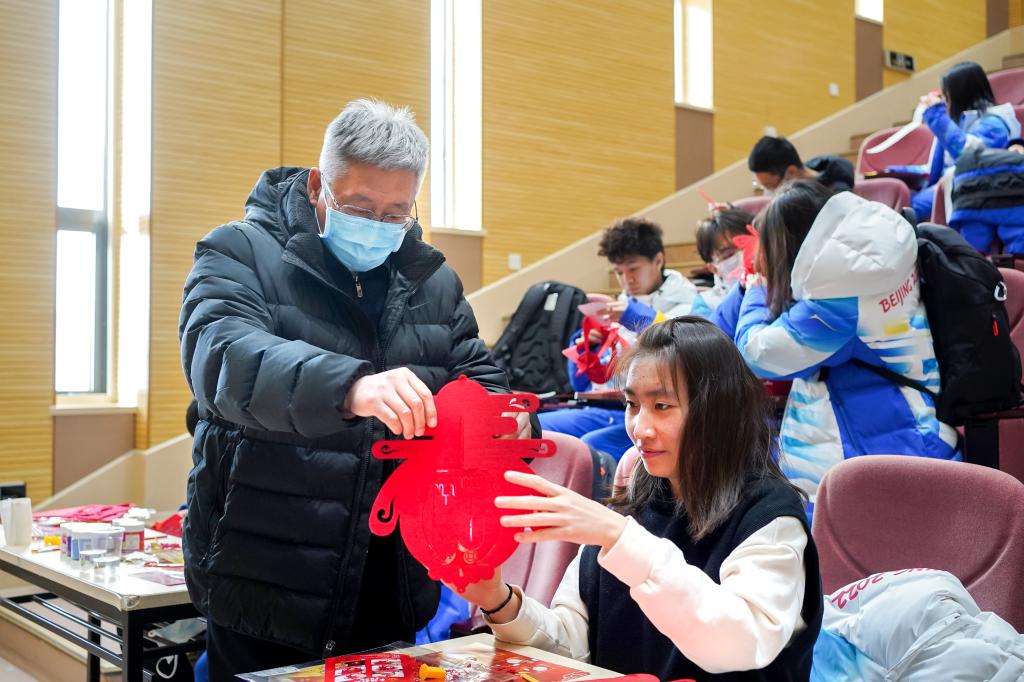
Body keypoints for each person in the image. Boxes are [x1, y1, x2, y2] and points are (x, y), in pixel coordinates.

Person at [179, 99, 522, 681]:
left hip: (390, 580)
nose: (377, 226)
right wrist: (351, 386)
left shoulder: (432, 283)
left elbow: (481, 383)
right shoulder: (240, 251)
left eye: (396, 214)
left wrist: (506, 424)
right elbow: (222, 356)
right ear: (318, 186)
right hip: (265, 572)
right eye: (360, 208)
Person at [456, 317, 823, 680]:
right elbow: (573, 648)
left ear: (718, 412)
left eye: (662, 406)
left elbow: (739, 643)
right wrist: (500, 602)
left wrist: (620, 538)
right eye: (632, 405)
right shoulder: (629, 509)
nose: (640, 429)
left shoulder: (769, 517)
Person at [734, 181, 960, 518]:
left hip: (885, 451)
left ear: (792, 245)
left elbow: (756, 354)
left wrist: (756, 291)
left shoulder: (838, 298)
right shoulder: (876, 261)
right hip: (912, 427)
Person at [538, 217, 697, 460]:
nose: (626, 279)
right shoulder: (617, 310)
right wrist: (588, 349)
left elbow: (675, 342)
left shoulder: (689, 304)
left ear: (658, 260)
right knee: (532, 425)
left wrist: (631, 316)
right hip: (609, 407)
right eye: (619, 272)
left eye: (633, 269)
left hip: (651, 411)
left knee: (557, 435)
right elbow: (580, 385)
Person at [912, 61, 1021, 226]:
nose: (944, 102)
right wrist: (894, 171)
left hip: (977, 189)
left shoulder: (995, 124)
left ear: (959, 95)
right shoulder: (959, 122)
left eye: (946, 96)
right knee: (902, 198)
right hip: (955, 186)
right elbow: (935, 168)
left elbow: (967, 155)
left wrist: (936, 116)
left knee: (912, 208)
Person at [690, 207, 755, 338]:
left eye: (748, 246)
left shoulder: (780, 283)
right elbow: (705, 343)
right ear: (712, 267)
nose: (743, 257)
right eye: (729, 254)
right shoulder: (705, 304)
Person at [747, 136, 854, 195]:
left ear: (791, 171)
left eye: (770, 186)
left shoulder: (836, 192)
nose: (769, 192)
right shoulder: (795, 189)